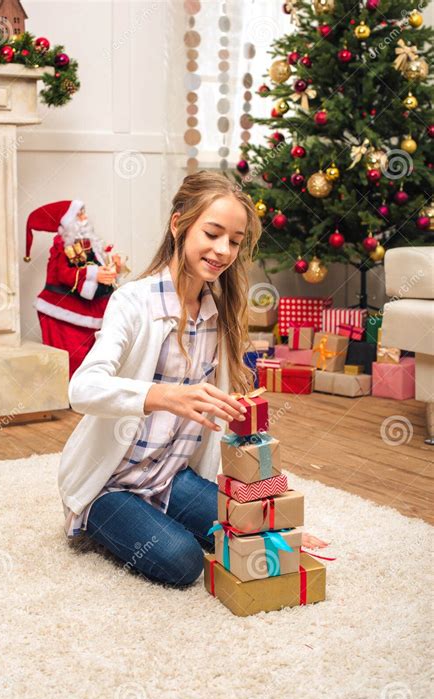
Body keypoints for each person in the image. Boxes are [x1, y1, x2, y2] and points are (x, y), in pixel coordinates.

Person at [58, 171, 328, 587]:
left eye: (234, 241)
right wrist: (163, 395)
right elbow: (82, 389)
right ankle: (103, 521)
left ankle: (164, 515)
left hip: (170, 474)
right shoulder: (132, 302)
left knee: (258, 527)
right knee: (183, 562)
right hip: (112, 484)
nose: (223, 250)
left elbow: (220, 413)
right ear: (179, 224)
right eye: (213, 233)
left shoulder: (218, 312)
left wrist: (263, 526)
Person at [24, 200, 127, 377]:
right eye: (80, 214)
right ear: (68, 221)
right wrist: (95, 274)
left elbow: (98, 267)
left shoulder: (90, 244)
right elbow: (62, 274)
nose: (85, 218)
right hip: (66, 311)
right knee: (73, 358)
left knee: (97, 357)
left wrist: (114, 268)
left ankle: (91, 390)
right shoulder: (61, 245)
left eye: (84, 213)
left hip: (93, 310)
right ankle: (73, 394)